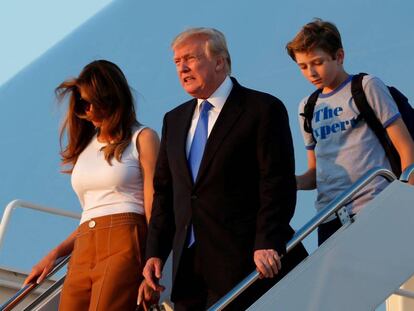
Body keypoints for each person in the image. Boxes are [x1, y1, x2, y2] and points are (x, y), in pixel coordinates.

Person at [142, 27, 308, 310]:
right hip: (188, 269)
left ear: (219, 62)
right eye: (177, 62)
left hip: (243, 259)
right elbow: (165, 194)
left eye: (190, 58)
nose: (182, 68)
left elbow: (276, 182)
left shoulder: (262, 108)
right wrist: (155, 252)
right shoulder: (175, 119)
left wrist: (268, 240)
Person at [23, 60, 160, 310]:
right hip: (84, 246)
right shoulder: (84, 148)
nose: (85, 112)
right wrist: (56, 253)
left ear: (109, 98)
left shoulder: (143, 138)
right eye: (80, 105)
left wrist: (154, 260)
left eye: (89, 103)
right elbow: (93, 213)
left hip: (125, 240)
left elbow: (153, 205)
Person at [286, 19, 414, 246]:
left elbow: (405, 146)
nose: (311, 72)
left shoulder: (366, 86)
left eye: (318, 62)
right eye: (303, 66)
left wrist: (404, 198)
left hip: (375, 202)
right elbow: (315, 173)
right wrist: (290, 181)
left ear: (339, 56)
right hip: (329, 217)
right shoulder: (307, 107)